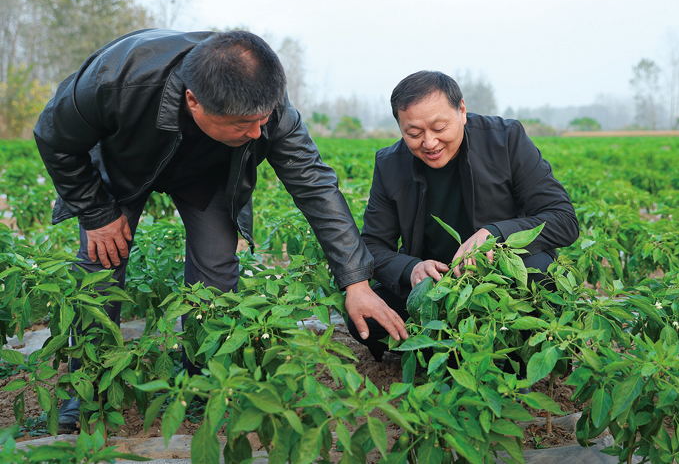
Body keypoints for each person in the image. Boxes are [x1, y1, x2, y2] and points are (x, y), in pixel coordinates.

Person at [34, 29, 407, 431]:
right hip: (124, 160)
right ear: (193, 101)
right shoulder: (117, 80)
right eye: (244, 124)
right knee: (100, 266)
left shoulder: (267, 107)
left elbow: (314, 183)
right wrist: (95, 212)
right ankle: (87, 388)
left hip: (210, 174)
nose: (257, 134)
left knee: (216, 268)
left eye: (263, 121)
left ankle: (201, 382)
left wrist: (356, 282)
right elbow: (54, 137)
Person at [348, 70, 579, 360]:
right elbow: (372, 246)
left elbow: (563, 219)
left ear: (462, 111)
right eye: (414, 133)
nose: (429, 143)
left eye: (439, 127)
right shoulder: (390, 164)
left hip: (498, 280)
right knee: (364, 314)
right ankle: (454, 347)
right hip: (434, 287)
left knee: (541, 273)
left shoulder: (506, 139)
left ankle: (491, 346)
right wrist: (411, 268)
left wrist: (494, 234)